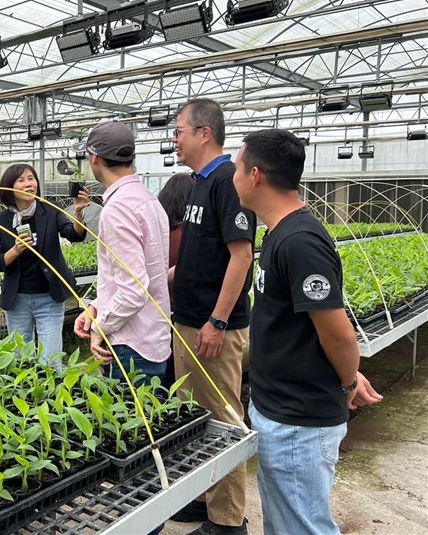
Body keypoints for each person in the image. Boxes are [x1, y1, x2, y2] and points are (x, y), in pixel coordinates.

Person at [233, 129, 382, 535]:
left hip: (298, 419)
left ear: (256, 175)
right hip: (281, 407)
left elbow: (339, 333)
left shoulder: (300, 241)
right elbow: (308, 328)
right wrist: (340, 373)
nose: (234, 176)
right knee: (286, 522)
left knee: (302, 526)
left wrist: (348, 380)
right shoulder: (279, 232)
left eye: (237, 167)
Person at [170, 99, 255, 535]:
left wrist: (217, 322)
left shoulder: (226, 181)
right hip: (187, 320)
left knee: (223, 417)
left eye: (179, 131)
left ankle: (227, 520)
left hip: (211, 326)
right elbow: (201, 250)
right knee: (194, 415)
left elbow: (241, 256)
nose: (174, 139)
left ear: (205, 133)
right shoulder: (198, 183)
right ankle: (203, 499)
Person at [73, 121, 171, 386]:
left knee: (133, 424)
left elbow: (133, 290)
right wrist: (95, 307)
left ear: (94, 159)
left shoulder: (118, 209)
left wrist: (99, 326)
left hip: (131, 344)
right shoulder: (149, 199)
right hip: (153, 336)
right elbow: (137, 276)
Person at [0, 164, 90, 366]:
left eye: (31, 178)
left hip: (49, 298)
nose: (28, 184)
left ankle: (51, 396)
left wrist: (78, 213)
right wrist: (15, 251)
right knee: (19, 359)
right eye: (21, 180)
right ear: (9, 187)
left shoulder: (49, 211)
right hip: (17, 299)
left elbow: (74, 234)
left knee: (51, 361)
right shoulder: (2, 220)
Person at [157, 171, 195, 389]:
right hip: (182, 312)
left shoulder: (159, 231)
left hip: (157, 311)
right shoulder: (189, 233)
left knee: (162, 373)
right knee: (177, 376)